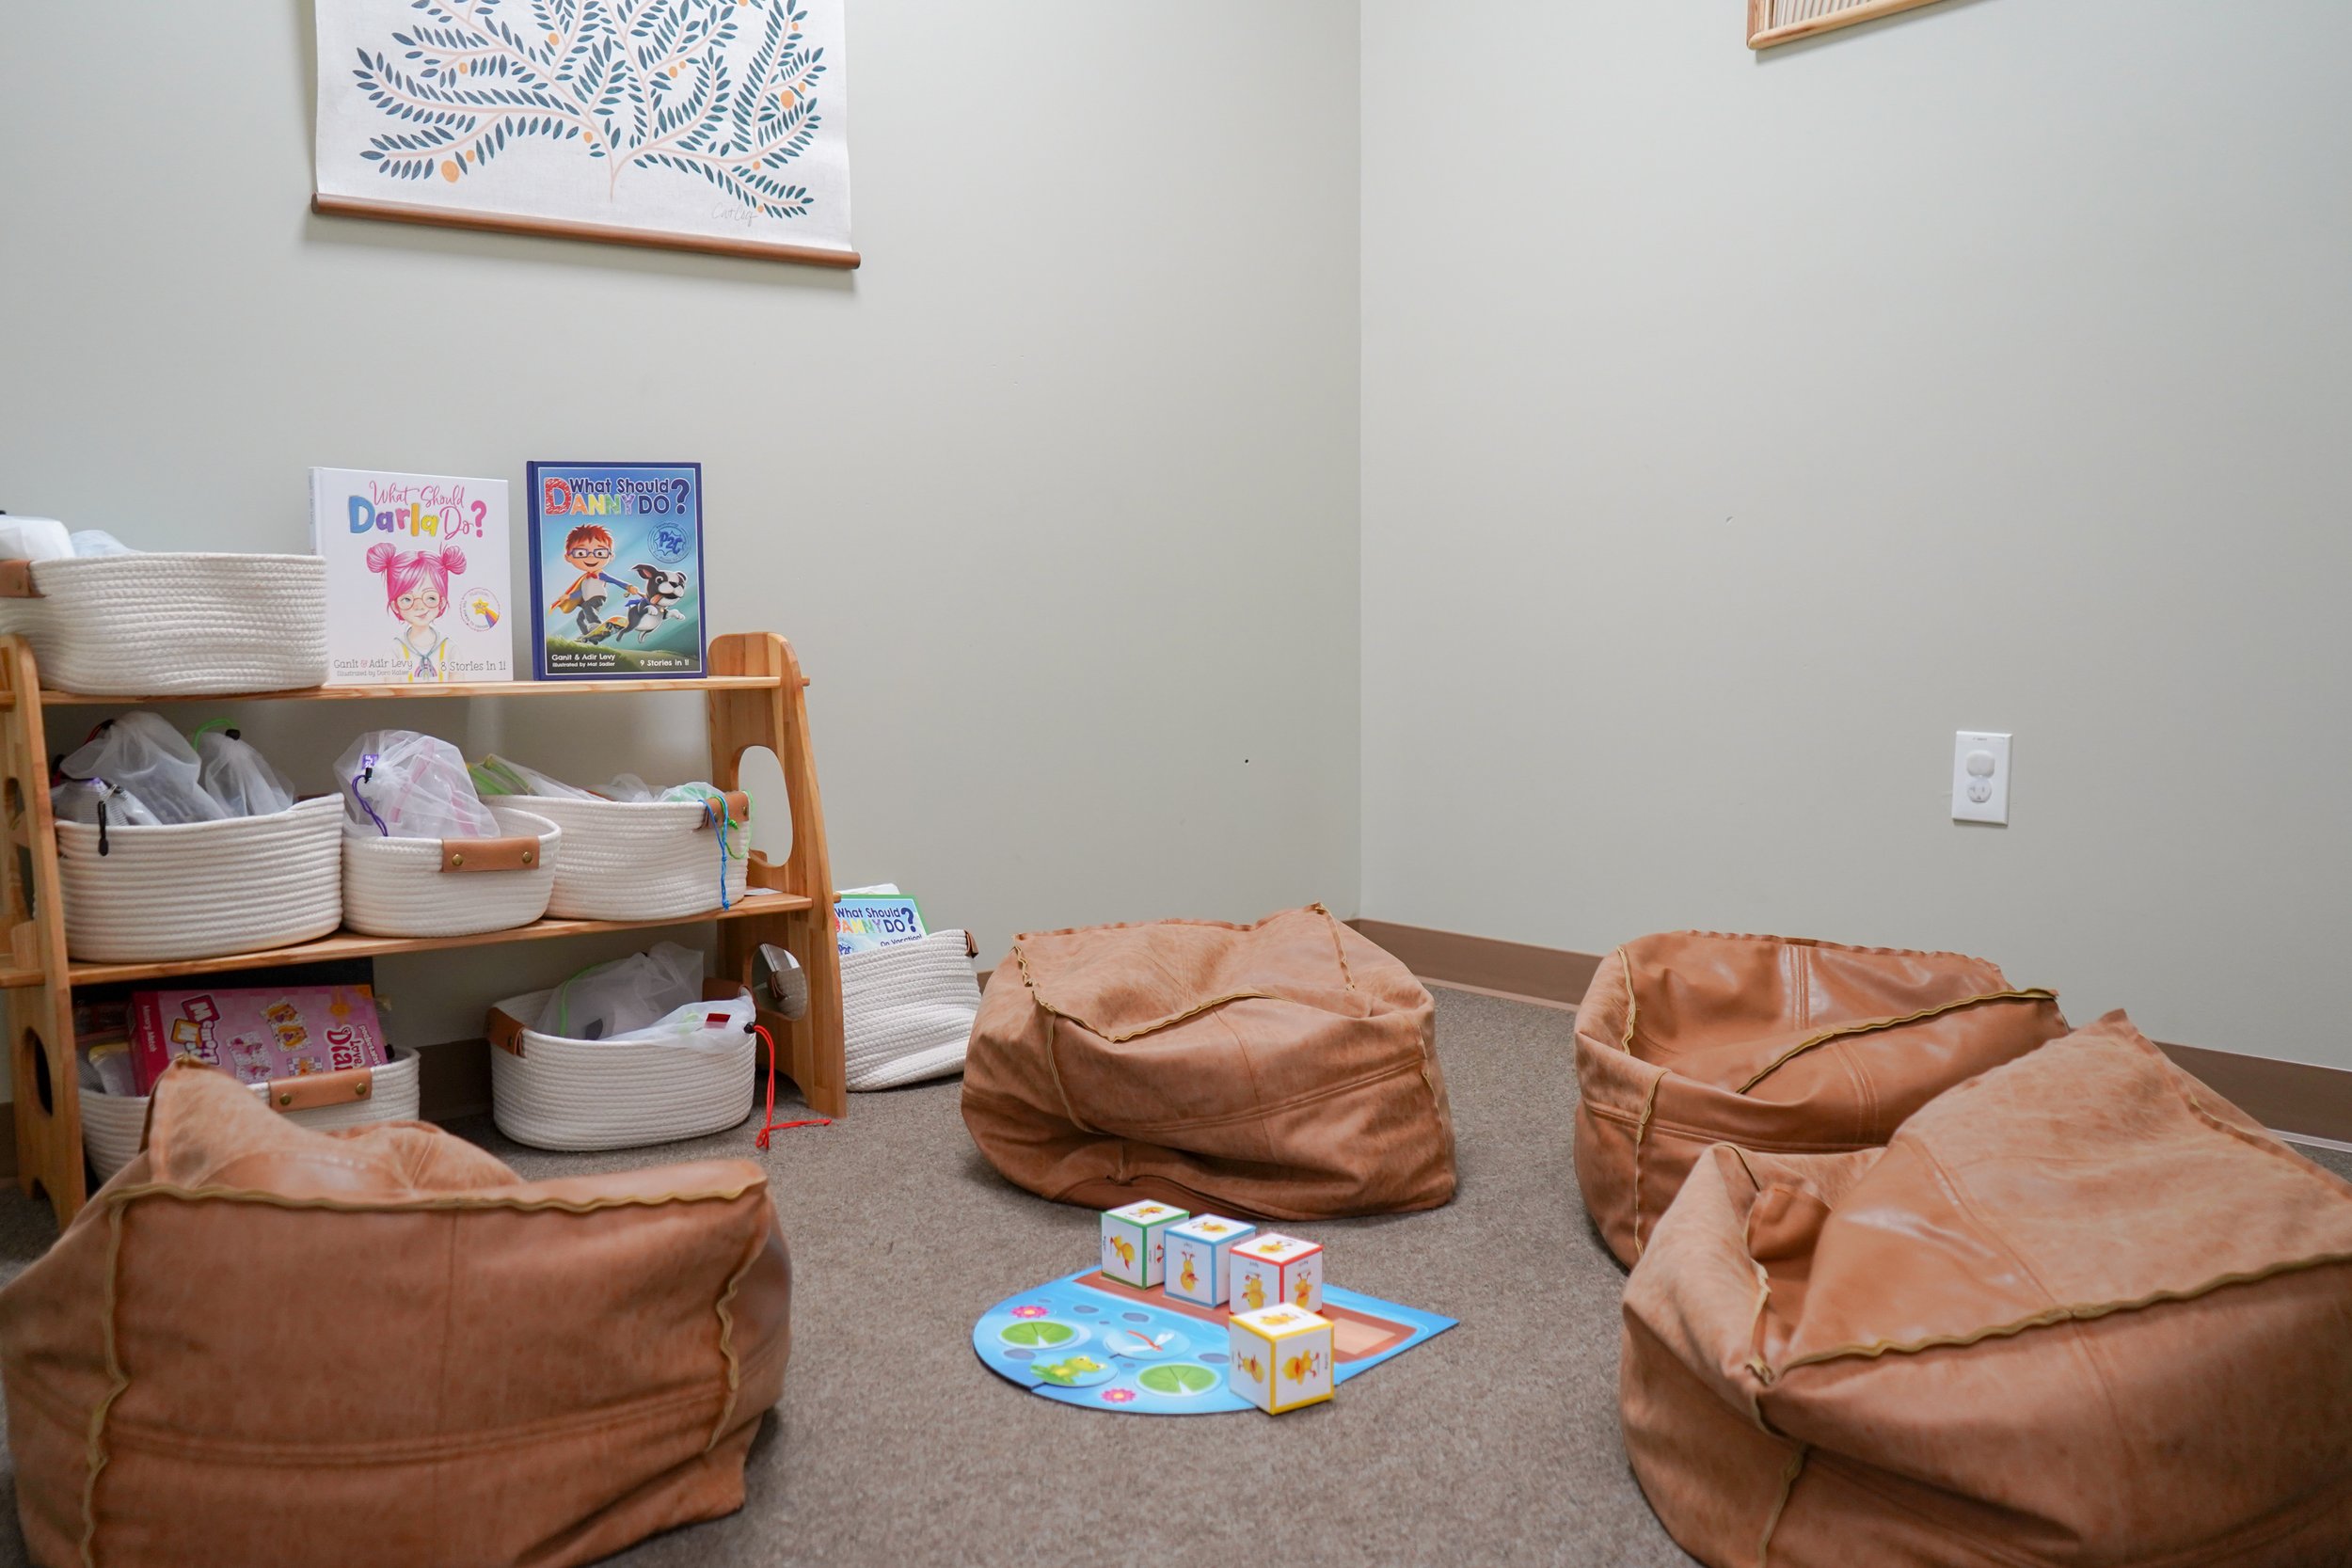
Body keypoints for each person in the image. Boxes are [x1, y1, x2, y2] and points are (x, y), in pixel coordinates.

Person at [365, 543, 468, 683]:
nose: (419, 606)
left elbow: (458, 690)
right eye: (407, 599)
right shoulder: (395, 650)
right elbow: (391, 690)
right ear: (395, 606)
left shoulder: (450, 649)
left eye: (430, 598)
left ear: (442, 602)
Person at [548, 524, 640, 641]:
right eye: (581, 553)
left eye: (600, 553)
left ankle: (596, 625)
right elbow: (580, 594)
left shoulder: (599, 574)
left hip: (598, 598)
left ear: (611, 556)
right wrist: (568, 596)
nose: (591, 558)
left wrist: (629, 587)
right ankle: (590, 636)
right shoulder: (584, 580)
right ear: (568, 557)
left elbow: (614, 581)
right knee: (579, 619)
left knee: (587, 606)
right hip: (589, 603)